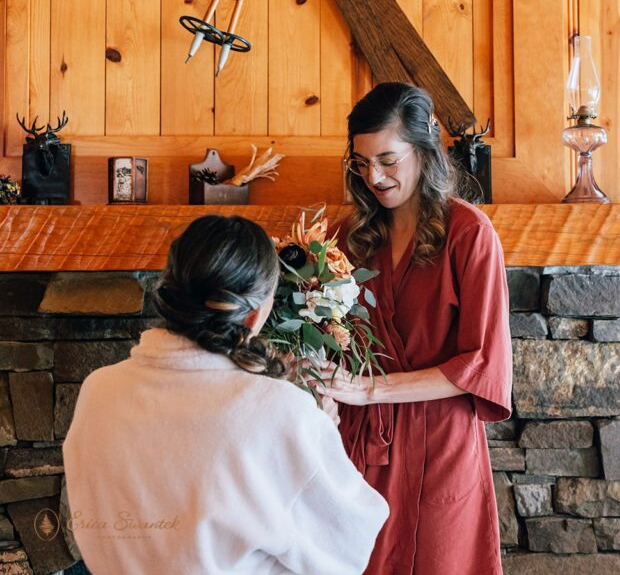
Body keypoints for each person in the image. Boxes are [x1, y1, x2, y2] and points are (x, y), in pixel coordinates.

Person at [63, 215, 388, 575]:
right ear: (254, 316)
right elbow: (345, 543)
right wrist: (319, 433)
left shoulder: (99, 390)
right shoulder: (283, 412)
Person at [317, 82, 513, 574]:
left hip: (440, 444)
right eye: (361, 163)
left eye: (388, 159)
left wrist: (370, 389)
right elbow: (327, 338)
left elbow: (481, 363)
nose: (374, 177)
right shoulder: (346, 238)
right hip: (359, 443)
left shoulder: (469, 234)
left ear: (423, 149)